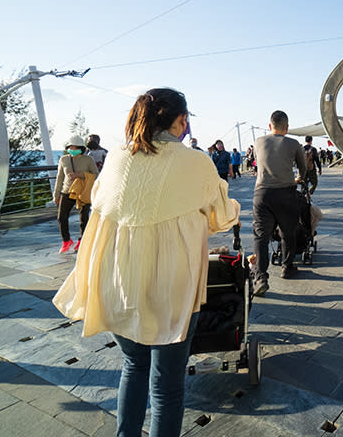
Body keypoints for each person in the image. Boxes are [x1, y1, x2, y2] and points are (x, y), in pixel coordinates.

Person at [53, 88, 240, 437]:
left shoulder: (119, 158)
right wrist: (234, 210)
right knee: (167, 385)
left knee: (133, 365)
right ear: (180, 120)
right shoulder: (195, 161)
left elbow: (101, 206)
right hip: (172, 285)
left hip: (119, 280)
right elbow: (219, 216)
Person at [251, 110, 306, 295]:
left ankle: (260, 277)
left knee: (261, 236)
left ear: (270, 125)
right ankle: (287, 267)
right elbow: (303, 168)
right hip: (286, 193)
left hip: (262, 194)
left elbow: (255, 161)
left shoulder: (258, 142)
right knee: (288, 233)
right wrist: (298, 178)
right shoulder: (294, 143)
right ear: (287, 127)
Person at [54, 135, 99, 253]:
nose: (72, 150)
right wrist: (56, 194)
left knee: (83, 218)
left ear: (81, 148)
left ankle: (81, 241)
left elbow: (96, 174)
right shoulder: (64, 159)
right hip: (67, 191)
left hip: (83, 191)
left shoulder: (88, 160)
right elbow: (59, 177)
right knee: (61, 217)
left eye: (75, 147)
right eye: (70, 147)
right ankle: (66, 241)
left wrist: (80, 175)